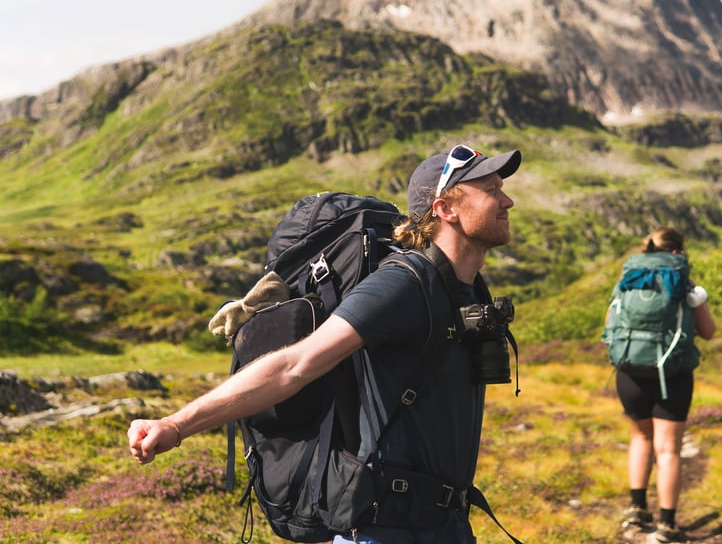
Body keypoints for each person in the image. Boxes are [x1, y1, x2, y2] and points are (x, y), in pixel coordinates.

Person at [127, 144, 522, 544]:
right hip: (385, 530)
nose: (507, 199)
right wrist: (176, 425)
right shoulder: (402, 285)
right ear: (445, 209)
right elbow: (293, 366)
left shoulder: (468, 291)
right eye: (491, 189)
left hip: (445, 527)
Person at [612, 227, 716, 543]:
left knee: (640, 437)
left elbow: (610, 325)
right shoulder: (686, 286)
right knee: (669, 449)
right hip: (672, 375)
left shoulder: (627, 282)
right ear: (678, 253)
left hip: (629, 373)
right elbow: (708, 331)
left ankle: (637, 508)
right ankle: (667, 526)